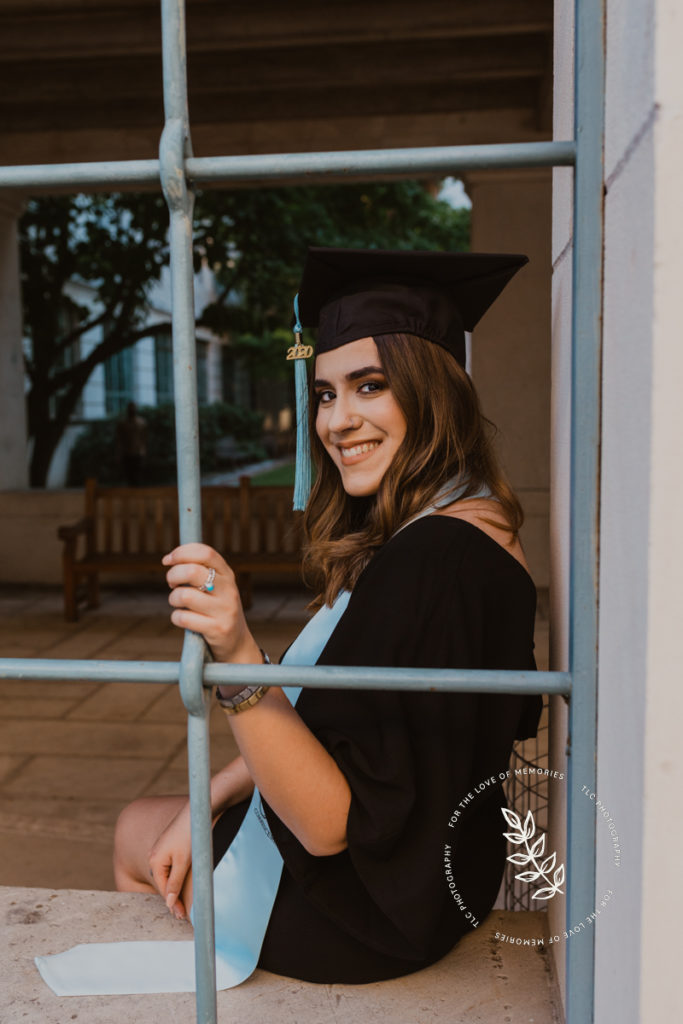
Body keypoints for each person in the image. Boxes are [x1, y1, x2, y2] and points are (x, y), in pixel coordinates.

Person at [113, 247, 542, 985]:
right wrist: (212, 794)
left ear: (432, 390)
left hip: (367, 911)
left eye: (368, 387)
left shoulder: (427, 562)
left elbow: (326, 826)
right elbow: (350, 729)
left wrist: (236, 656)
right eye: (323, 394)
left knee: (131, 834)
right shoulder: (481, 524)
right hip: (444, 877)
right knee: (171, 817)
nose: (336, 421)